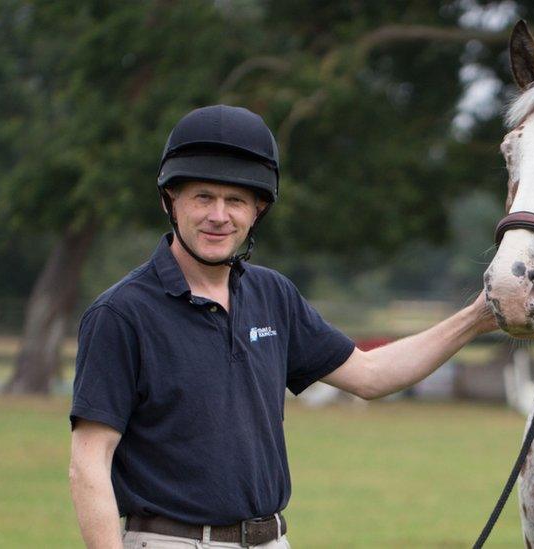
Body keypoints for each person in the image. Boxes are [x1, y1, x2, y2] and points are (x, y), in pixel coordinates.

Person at [68, 105, 498, 549]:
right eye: (202, 196)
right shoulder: (121, 314)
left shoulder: (273, 295)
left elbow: (370, 376)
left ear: (258, 210)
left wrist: (477, 317)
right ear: (170, 201)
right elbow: (89, 461)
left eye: (235, 200)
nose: (219, 215)